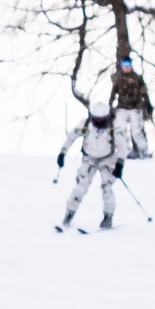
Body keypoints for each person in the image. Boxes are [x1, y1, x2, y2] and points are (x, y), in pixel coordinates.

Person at [57, 99, 121, 231]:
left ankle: (108, 217)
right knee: (80, 187)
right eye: (95, 118)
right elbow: (71, 137)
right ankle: (69, 214)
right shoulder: (86, 124)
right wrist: (63, 153)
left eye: (101, 118)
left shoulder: (114, 126)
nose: (98, 121)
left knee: (107, 188)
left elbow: (123, 146)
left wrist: (120, 164)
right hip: (89, 159)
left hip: (107, 160)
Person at [109, 57, 153, 158]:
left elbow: (144, 92)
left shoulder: (137, 78)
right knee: (119, 129)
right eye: (125, 65)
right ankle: (122, 150)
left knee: (137, 131)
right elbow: (113, 93)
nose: (126, 67)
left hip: (135, 108)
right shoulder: (118, 78)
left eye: (128, 65)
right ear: (122, 66)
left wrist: (148, 105)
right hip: (122, 107)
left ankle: (143, 151)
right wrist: (110, 106)